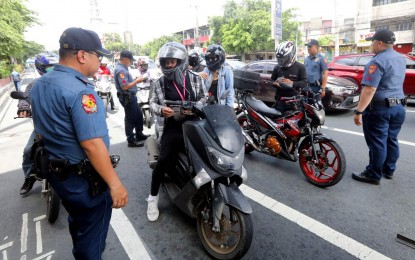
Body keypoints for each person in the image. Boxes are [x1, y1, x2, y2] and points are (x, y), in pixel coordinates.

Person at [30, 27, 128, 259]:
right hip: (85, 182)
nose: (100, 61)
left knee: (79, 223)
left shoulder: (40, 84)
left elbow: (42, 130)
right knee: (92, 241)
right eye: (99, 55)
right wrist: (115, 184)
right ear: (82, 55)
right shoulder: (81, 92)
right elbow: (92, 144)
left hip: (60, 176)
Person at [147, 42, 206, 221]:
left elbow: (205, 97)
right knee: (164, 159)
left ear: (181, 61)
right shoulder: (158, 83)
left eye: (173, 61)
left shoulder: (195, 78)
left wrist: (195, 106)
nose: (170, 65)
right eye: (167, 62)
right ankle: (152, 198)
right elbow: (151, 103)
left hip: (195, 124)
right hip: (172, 126)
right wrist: (161, 110)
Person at [352, 29, 406, 185]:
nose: (371, 45)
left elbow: (369, 89)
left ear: (380, 43)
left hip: (380, 109)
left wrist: (359, 111)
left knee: (378, 142)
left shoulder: (377, 61)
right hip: (399, 106)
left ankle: (373, 174)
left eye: (372, 42)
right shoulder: (400, 58)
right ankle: (388, 170)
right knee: (392, 139)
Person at [18, 54, 58, 195]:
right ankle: (29, 177)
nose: (53, 70)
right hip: (42, 126)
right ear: (41, 69)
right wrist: (24, 107)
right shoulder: (33, 85)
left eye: (56, 67)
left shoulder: (64, 82)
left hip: (63, 125)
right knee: (28, 150)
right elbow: (25, 98)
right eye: (49, 68)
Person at [114, 50, 149, 147]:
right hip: (127, 97)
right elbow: (124, 86)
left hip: (131, 96)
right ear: (125, 59)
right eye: (130, 60)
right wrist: (137, 81)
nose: (131, 62)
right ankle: (131, 140)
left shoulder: (123, 68)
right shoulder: (121, 70)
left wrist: (134, 79)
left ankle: (139, 134)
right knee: (130, 118)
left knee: (138, 115)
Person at [271, 41, 307, 112]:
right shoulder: (277, 67)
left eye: (284, 58)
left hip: (294, 103)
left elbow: (304, 82)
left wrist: (292, 83)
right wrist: (274, 83)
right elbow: (272, 79)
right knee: (278, 122)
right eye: (280, 59)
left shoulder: (300, 67)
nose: (281, 61)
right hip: (280, 101)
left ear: (291, 55)